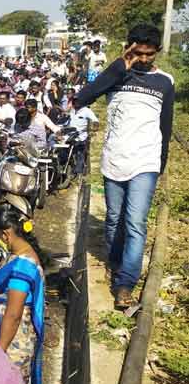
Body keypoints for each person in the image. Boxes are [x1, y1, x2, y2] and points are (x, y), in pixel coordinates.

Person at [75, 24, 174, 309]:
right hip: (114, 158)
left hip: (145, 161)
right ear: (128, 48)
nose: (143, 59)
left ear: (157, 52)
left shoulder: (164, 82)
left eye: (149, 54)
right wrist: (120, 65)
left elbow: (164, 127)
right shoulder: (116, 76)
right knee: (114, 219)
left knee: (135, 223)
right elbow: (83, 98)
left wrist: (160, 163)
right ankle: (116, 264)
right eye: (137, 53)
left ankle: (125, 283)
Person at [0, 206, 46, 384]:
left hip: (14, 343)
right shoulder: (22, 255)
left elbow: (13, 314)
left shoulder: (23, 267)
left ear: (6, 234)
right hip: (13, 339)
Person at [66, 97, 98, 176]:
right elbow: (67, 120)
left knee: (80, 154)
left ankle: (78, 173)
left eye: (78, 101)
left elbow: (95, 120)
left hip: (81, 136)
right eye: (74, 101)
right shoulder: (72, 110)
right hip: (70, 135)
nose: (76, 103)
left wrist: (95, 127)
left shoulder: (86, 111)